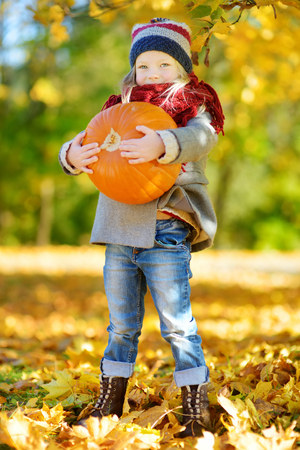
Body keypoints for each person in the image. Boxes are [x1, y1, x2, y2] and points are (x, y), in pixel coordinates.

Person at [59, 18, 224, 438]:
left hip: (166, 229)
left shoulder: (191, 104)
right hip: (118, 231)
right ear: (134, 68)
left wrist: (163, 144)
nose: (153, 73)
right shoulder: (118, 107)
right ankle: (109, 402)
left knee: (177, 323)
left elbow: (202, 137)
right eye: (144, 65)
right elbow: (88, 138)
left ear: (182, 68)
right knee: (121, 324)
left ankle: (194, 409)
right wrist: (72, 154)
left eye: (164, 64)